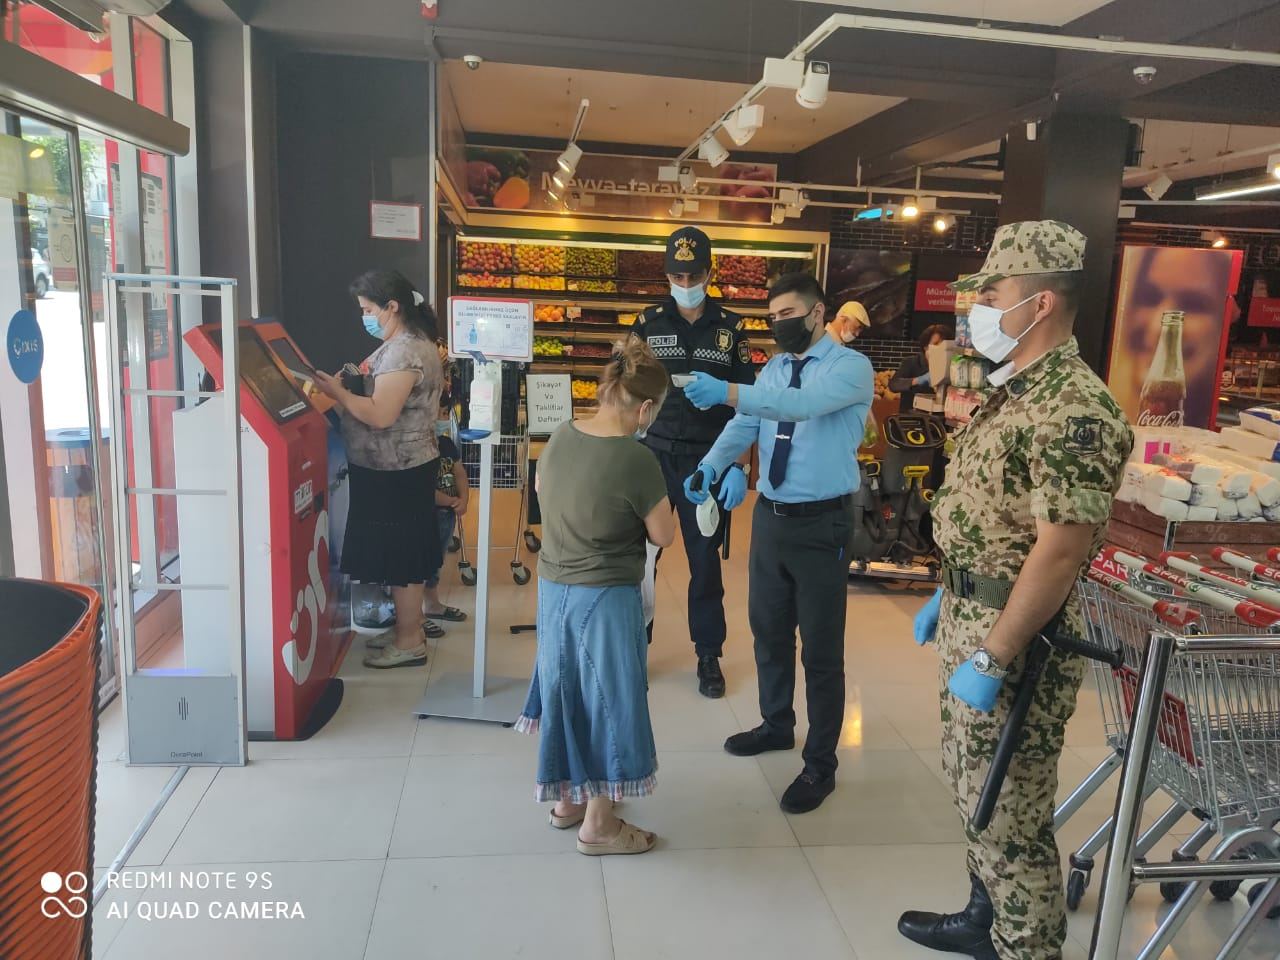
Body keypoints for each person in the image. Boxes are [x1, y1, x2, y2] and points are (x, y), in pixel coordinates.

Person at [898, 220, 1132, 960]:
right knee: (975, 787)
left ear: (1038, 305)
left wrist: (995, 653)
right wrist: (954, 587)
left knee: (1009, 809)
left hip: (1017, 639)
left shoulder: (1074, 408)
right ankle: (984, 917)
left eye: (992, 295)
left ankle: (1026, 943)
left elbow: (1061, 552)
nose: (978, 309)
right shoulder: (1015, 391)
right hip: (975, 609)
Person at [682, 272, 873, 814]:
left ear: (818, 312)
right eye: (773, 318)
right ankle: (776, 724)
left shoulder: (850, 369)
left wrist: (725, 389)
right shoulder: (774, 366)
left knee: (820, 648)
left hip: (822, 526)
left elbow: (799, 407)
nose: (780, 325)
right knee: (767, 628)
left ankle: (820, 765)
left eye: (789, 314)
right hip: (770, 518)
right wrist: (710, 465)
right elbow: (748, 422)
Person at [516, 338, 676, 855]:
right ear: (645, 407)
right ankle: (601, 826)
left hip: (554, 592)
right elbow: (663, 536)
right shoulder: (636, 458)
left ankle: (567, 803)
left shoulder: (562, 435)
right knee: (610, 703)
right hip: (605, 597)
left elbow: (543, 494)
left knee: (568, 693)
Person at [630, 226, 755, 699]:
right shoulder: (647, 323)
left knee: (705, 563)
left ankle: (708, 655)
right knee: (641, 559)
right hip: (652, 456)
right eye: (678, 274)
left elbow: (750, 403)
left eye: (695, 273)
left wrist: (740, 466)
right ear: (666, 274)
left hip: (710, 459)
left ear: (710, 273)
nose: (686, 281)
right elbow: (626, 388)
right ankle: (634, 646)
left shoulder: (731, 329)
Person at [313, 269, 445, 669]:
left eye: (369, 309)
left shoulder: (405, 351)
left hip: (396, 470)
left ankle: (409, 641)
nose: (365, 317)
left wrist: (336, 392)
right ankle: (410, 629)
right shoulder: (406, 343)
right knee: (399, 554)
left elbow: (382, 413)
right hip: (395, 466)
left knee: (402, 558)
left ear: (393, 307)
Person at [422, 418, 469, 625]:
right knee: (425, 560)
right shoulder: (417, 449)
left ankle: (432, 604)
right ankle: (420, 609)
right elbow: (421, 489)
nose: (439, 418)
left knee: (437, 559)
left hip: (447, 514)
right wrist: (450, 500)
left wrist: (463, 499)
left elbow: (459, 473)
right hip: (426, 513)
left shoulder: (446, 444)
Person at [889, 323, 951, 410]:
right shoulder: (911, 362)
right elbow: (894, 385)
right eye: (936, 344)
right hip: (910, 416)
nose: (940, 348)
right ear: (926, 346)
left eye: (943, 345)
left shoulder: (950, 366)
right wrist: (919, 380)